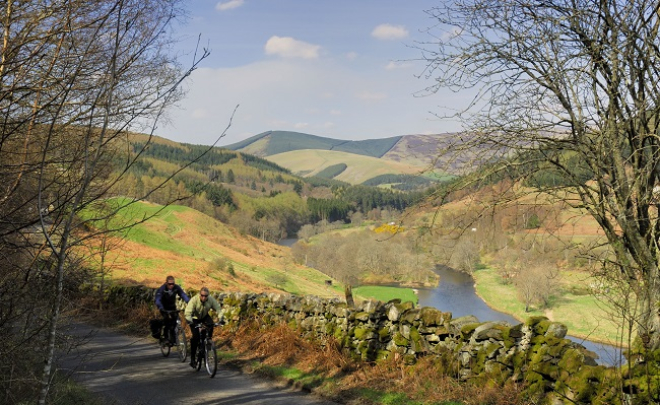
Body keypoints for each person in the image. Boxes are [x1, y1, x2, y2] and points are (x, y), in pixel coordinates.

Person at [185, 286, 222, 368]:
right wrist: (190, 321)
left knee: (211, 325)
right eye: (202, 295)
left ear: (208, 295)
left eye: (206, 296)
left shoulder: (210, 300)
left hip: (204, 316)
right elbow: (188, 312)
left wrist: (221, 318)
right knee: (195, 337)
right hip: (194, 318)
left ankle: (208, 344)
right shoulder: (194, 300)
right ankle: (192, 359)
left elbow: (218, 308)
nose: (204, 297)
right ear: (199, 294)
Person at [155, 275, 190, 344]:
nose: (171, 285)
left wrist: (189, 302)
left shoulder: (176, 288)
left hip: (172, 307)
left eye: (173, 284)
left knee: (175, 322)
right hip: (163, 307)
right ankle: (165, 338)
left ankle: (174, 338)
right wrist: (161, 307)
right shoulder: (162, 289)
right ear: (166, 283)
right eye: (170, 284)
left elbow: (183, 295)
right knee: (167, 321)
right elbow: (158, 299)